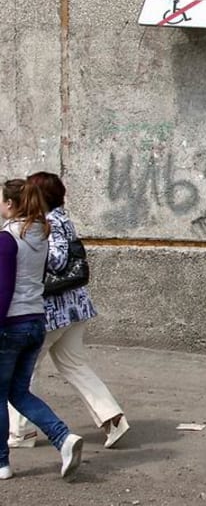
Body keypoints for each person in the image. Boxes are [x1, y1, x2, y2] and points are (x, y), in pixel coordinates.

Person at [7, 172, 129, 451]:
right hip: (74, 309)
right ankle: (113, 418)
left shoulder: (50, 222)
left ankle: (21, 431)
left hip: (55, 312)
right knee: (73, 364)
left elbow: (59, 261)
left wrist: (32, 252)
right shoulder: (59, 218)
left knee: (24, 369)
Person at [0, 178, 83, 480]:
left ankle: (2, 463)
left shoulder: (8, 238)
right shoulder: (40, 233)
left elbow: (4, 289)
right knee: (18, 392)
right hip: (35, 320)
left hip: (11, 325)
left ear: (10, 204)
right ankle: (63, 438)